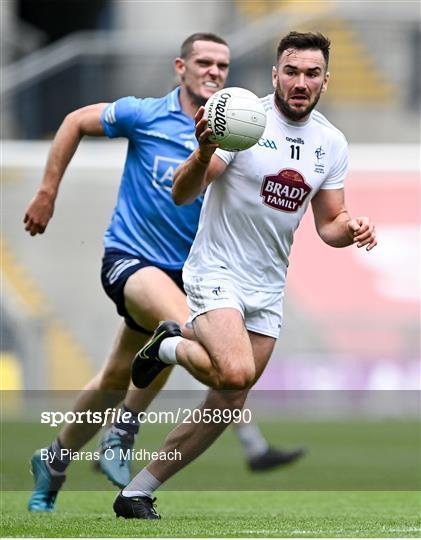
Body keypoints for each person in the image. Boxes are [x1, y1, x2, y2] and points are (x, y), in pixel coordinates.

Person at [24, 32, 304, 513]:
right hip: (130, 259)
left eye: (223, 65)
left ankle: (53, 461)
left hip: (191, 273)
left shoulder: (235, 133)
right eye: (205, 62)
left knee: (114, 376)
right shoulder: (144, 114)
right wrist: (48, 192)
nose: (215, 72)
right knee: (183, 330)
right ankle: (126, 432)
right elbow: (74, 121)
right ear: (181, 67)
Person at [118, 30, 377, 519]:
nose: (301, 82)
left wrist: (354, 227)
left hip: (268, 285)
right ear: (275, 73)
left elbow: (329, 224)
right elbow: (182, 192)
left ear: (326, 80)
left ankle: (137, 491)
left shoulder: (331, 143)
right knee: (235, 371)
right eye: (293, 71)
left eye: (312, 73)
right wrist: (200, 151)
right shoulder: (239, 117)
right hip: (216, 270)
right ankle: (171, 343)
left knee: (228, 398)